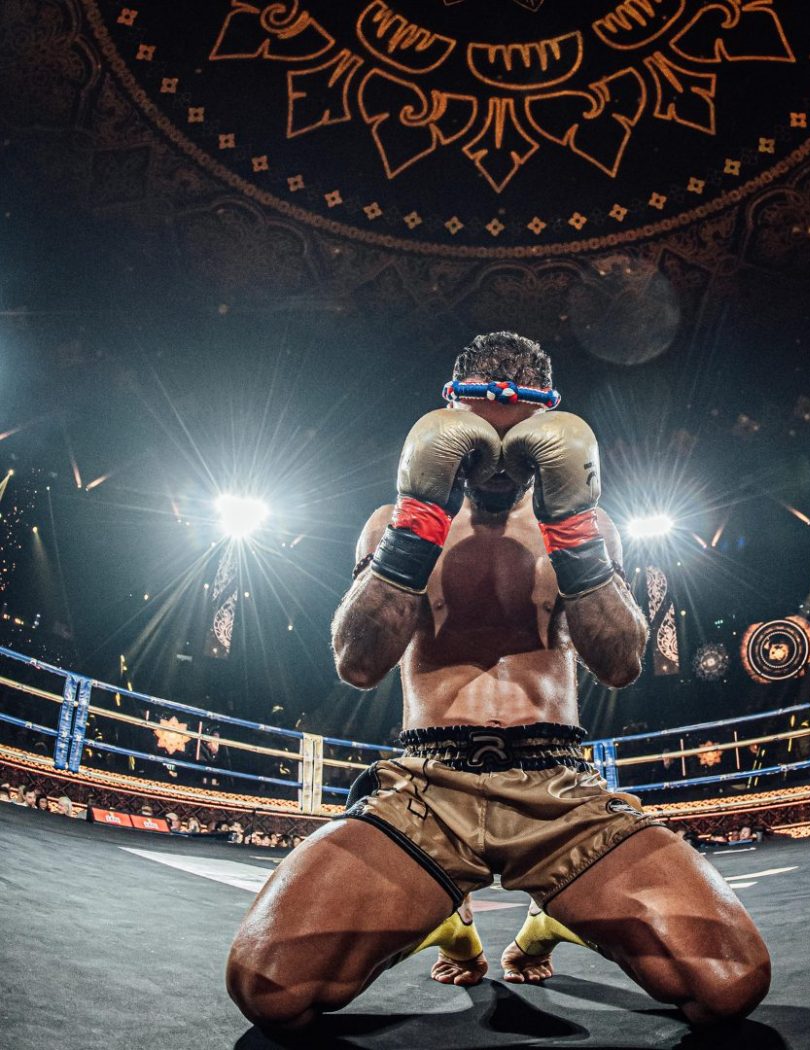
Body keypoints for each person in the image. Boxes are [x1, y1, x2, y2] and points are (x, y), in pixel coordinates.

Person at [226, 332, 771, 1033]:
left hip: (559, 788)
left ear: (548, 431)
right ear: (451, 421)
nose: (498, 465)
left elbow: (622, 663)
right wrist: (416, 526)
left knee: (730, 985)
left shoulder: (590, 525)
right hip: (427, 789)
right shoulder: (392, 523)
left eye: (518, 443)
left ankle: (551, 920)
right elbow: (357, 664)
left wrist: (572, 532)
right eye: (481, 439)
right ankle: (444, 922)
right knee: (269, 989)